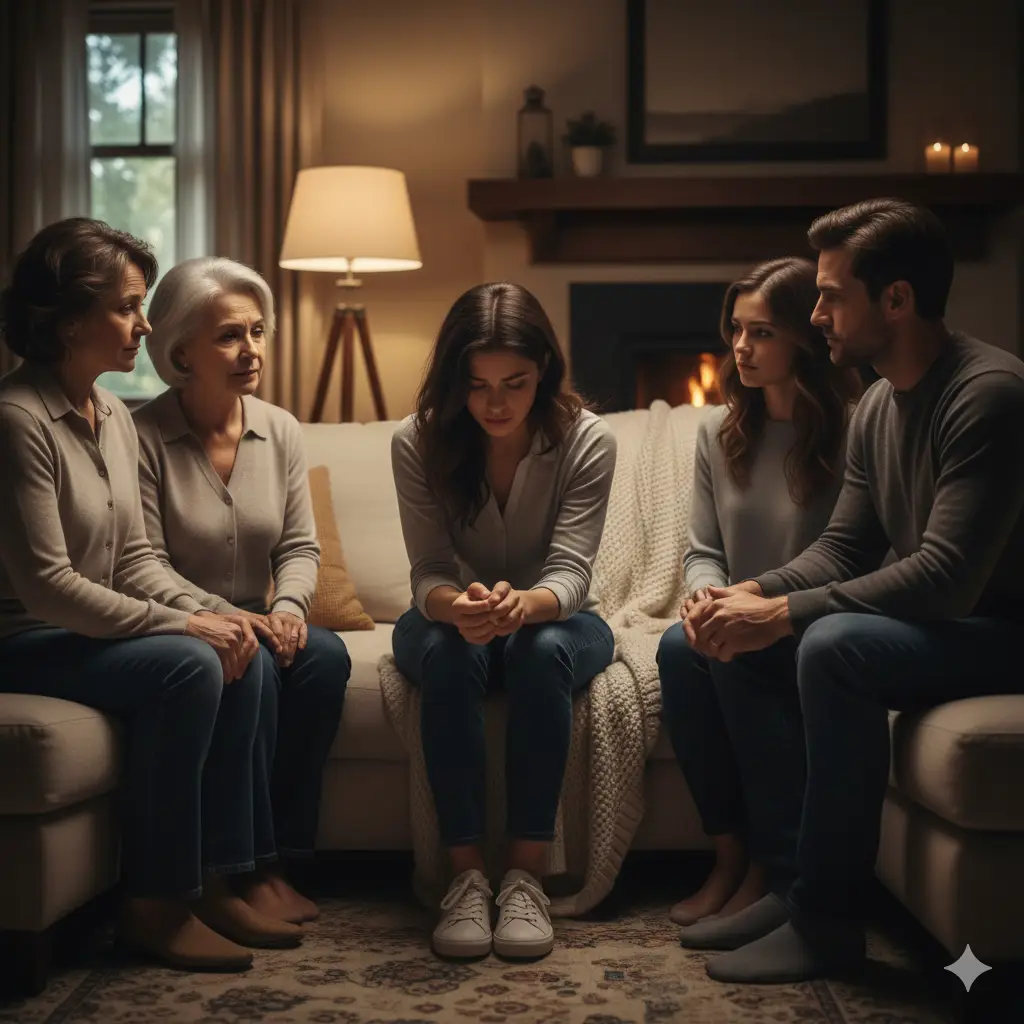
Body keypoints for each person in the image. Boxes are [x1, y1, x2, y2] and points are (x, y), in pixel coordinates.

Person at [678, 198, 1024, 984]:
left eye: (832, 296)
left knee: (832, 645)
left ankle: (827, 920)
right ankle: (796, 883)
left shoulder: (989, 394)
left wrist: (788, 612)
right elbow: (843, 548)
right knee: (735, 645)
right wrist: (751, 596)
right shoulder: (875, 404)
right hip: (957, 623)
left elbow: (946, 575)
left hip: (1003, 629)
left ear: (895, 300)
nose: (819, 312)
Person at [0, 218, 273, 972]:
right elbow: (51, 589)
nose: (144, 324)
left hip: (77, 633)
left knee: (232, 646)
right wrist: (187, 625)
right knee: (189, 663)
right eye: (126, 306)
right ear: (66, 317)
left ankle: (219, 881)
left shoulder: (113, 412)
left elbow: (138, 559)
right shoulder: (17, 419)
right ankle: (155, 904)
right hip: (22, 642)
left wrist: (220, 615)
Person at [391, 282, 617, 960]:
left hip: (557, 617)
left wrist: (524, 606)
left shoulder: (587, 439)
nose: (495, 403)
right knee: (451, 654)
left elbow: (573, 572)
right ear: (454, 378)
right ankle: (465, 880)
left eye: (514, 383)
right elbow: (428, 569)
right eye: (478, 384)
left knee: (541, 650)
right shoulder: (418, 440)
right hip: (446, 617)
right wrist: (457, 609)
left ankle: (524, 877)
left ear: (543, 369)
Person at [133, 257, 351, 935]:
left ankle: (278, 862)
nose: (251, 349)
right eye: (229, 335)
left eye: (257, 331)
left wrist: (287, 610)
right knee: (247, 658)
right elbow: (141, 562)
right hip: (181, 624)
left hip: (262, 618)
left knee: (325, 658)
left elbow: (299, 547)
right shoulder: (138, 435)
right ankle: (236, 868)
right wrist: (232, 617)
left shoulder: (279, 427)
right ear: (179, 351)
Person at [658, 258, 860, 928]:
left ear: (805, 336)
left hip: (808, 622)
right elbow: (703, 547)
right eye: (737, 330)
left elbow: (855, 557)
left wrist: (753, 611)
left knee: (733, 651)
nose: (741, 347)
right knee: (676, 651)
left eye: (763, 332)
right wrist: (702, 595)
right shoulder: (719, 433)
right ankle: (731, 856)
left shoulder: (854, 431)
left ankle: (775, 870)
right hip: (734, 617)